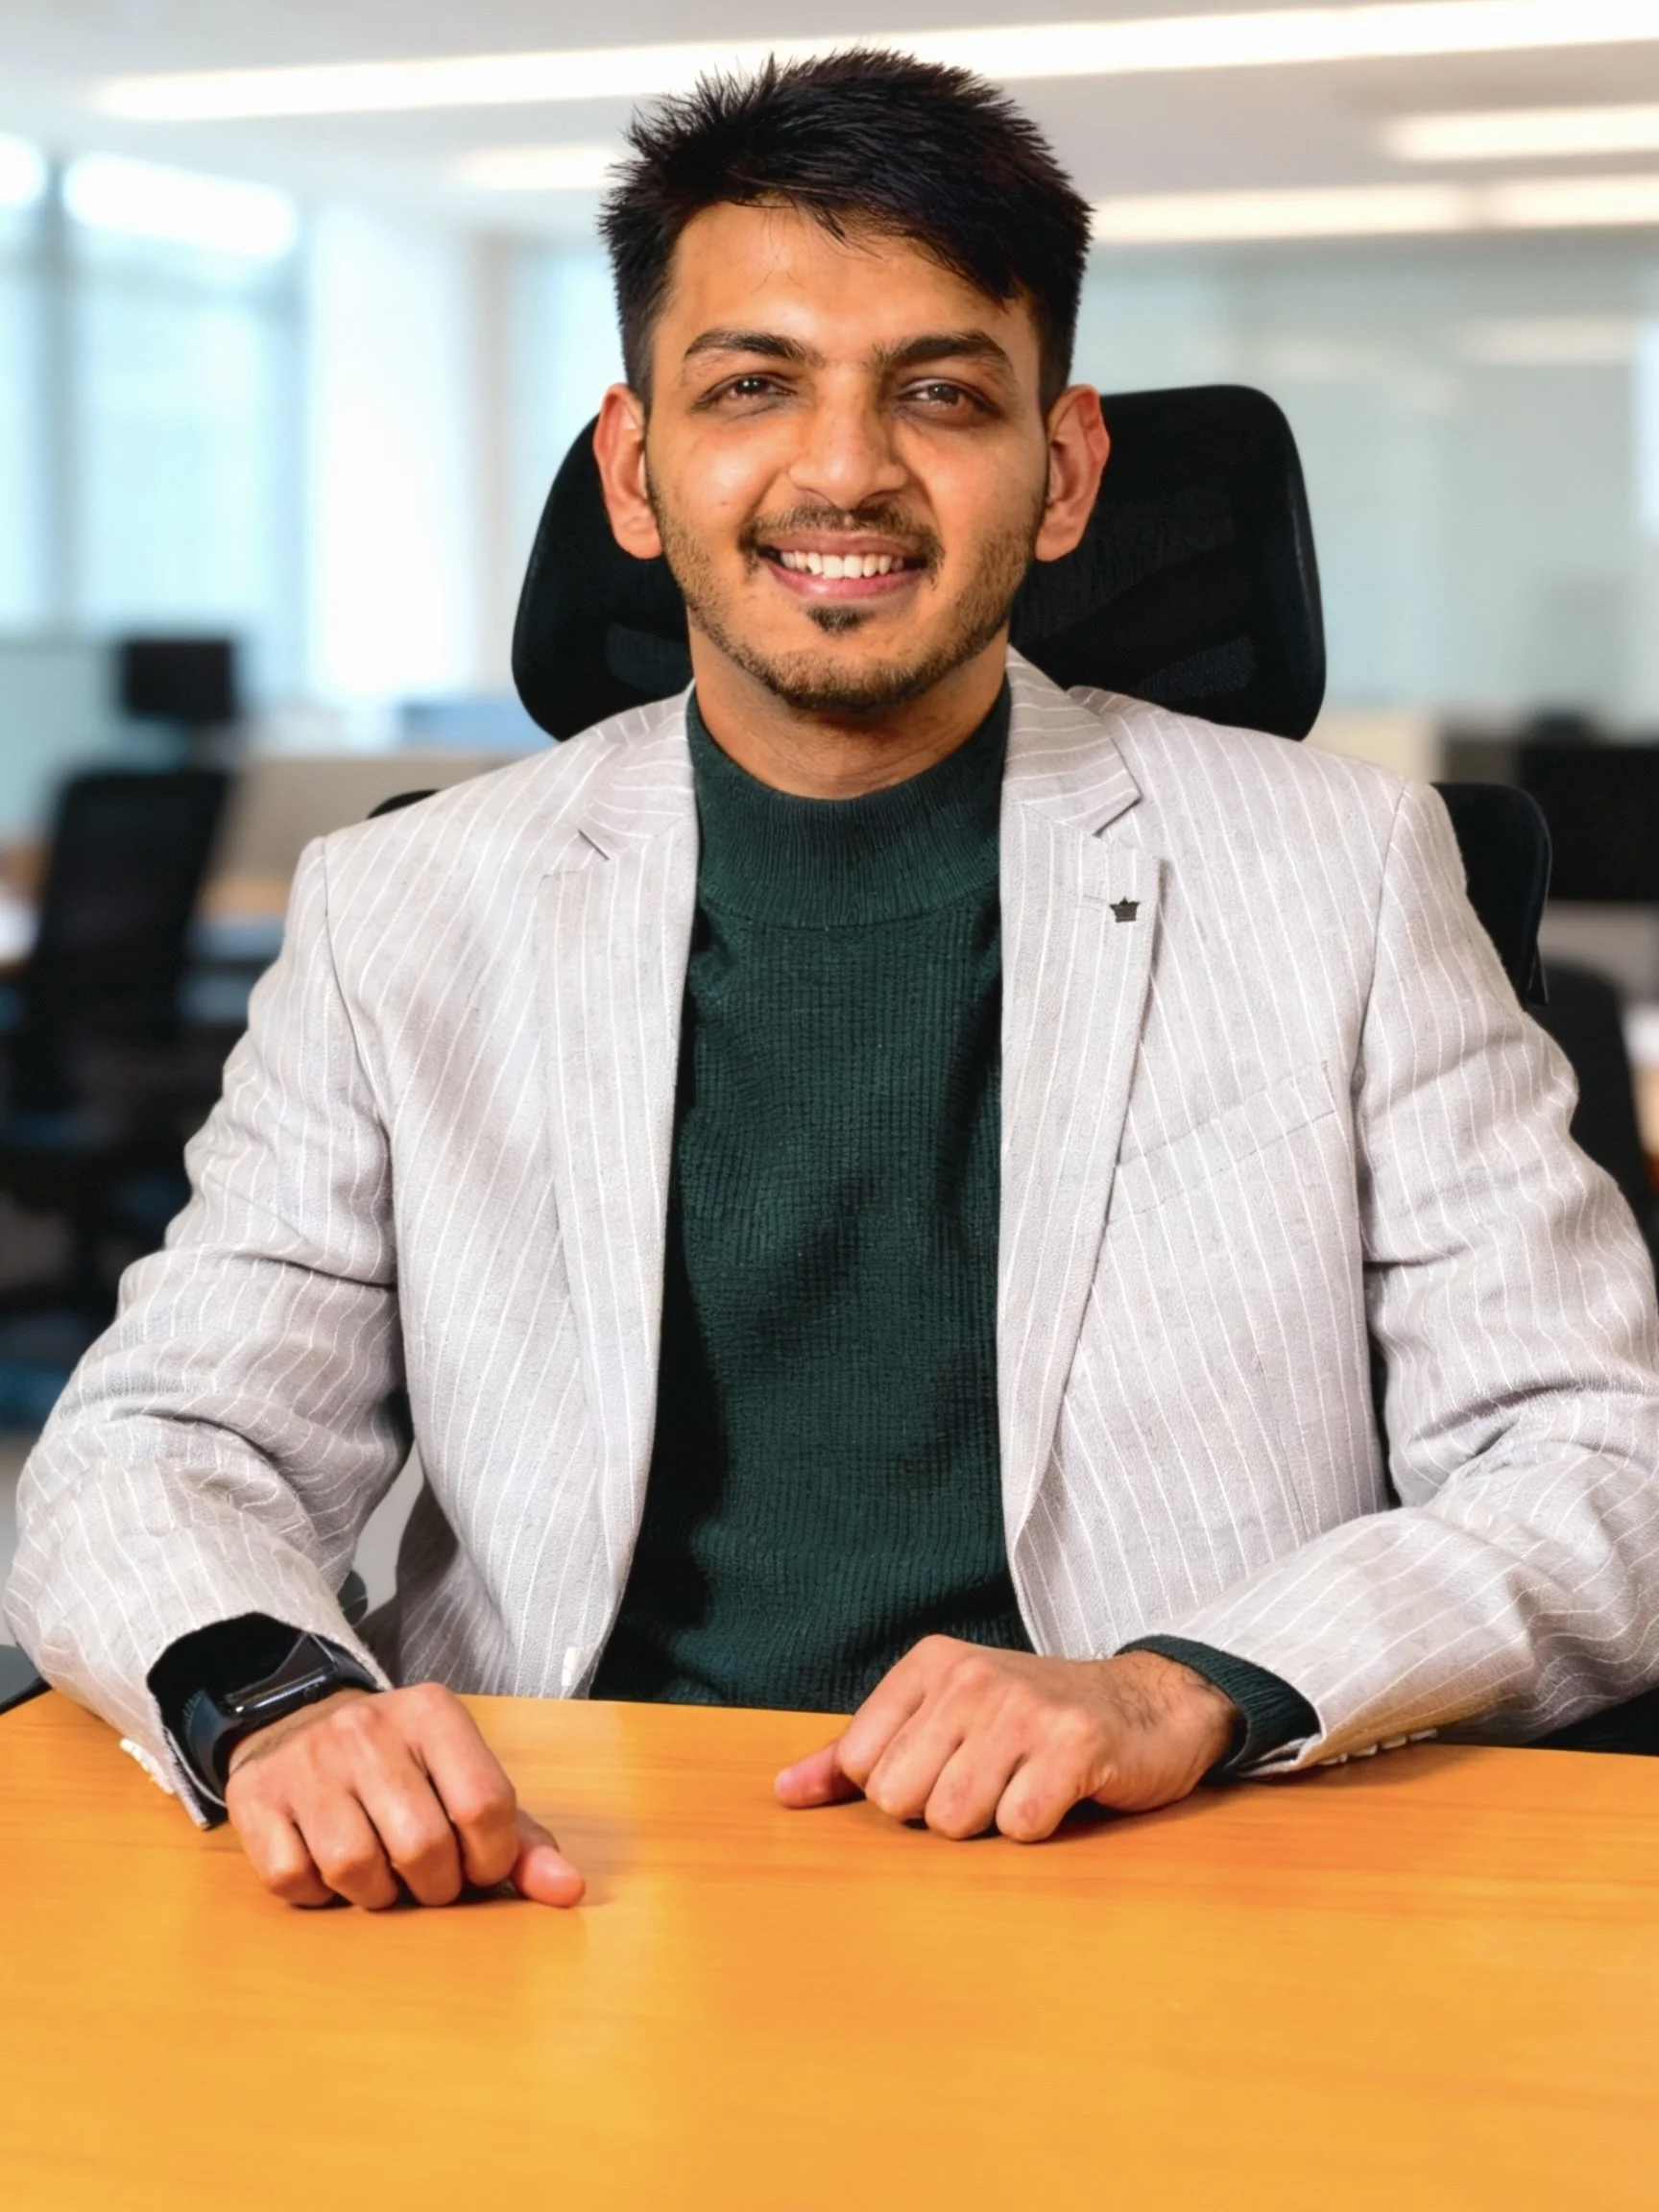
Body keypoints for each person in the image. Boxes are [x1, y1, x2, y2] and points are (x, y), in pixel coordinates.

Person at [9, 51, 1659, 1915]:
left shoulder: (1340, 871)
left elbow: (1597, 1462)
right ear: (636, 468)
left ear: (1065, 470)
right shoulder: (406, 905)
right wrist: (275, 1698)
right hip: (553, 1862)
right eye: (753, 386)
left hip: (1140, 1865)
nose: (848, 468)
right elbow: (166, 1437)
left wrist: (1180, 1686)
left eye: (941, 392)